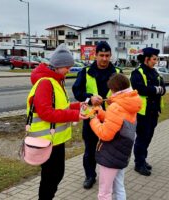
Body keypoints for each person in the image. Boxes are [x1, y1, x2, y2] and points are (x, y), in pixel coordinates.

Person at [26, 43, 87, 199]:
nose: (69, 70)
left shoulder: (56, 81)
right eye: (67, 66)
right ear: (58, 66)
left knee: (55, 176)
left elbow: (62, 106)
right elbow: (46, 113)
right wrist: (74, 115)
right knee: (51, 177)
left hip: (55, 140)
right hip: (46, 140)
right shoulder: (46, 83)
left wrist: (80, 106)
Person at [72, 41, 122, 189]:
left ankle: (110, 177)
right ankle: (90, 175)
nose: (104, 59)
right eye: (101, 55)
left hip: (111, 118)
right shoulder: (85, 72)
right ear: (95, 55)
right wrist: (89, 98)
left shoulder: (117, 73)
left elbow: (126, 93)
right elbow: (77, 92)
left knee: (111, 149)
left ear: (111, 55)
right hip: (91, 118)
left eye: (107, 55)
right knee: (90, 150)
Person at [89, 73, 142, 200]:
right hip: (122, 152)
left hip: (111, 154)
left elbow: (105, 134)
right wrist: (100, 113)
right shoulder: (130, 103)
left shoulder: (116, 107)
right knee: (119, 187)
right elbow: (117, 121)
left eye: (111, 90)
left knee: (104, 192)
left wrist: (92, 119)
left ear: (115, 90)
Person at [130, 47, 166, 176]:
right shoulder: (137, 73)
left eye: (156, 59)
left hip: (154, 111)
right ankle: (138, 164)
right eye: (154, 59)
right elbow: (139, 89)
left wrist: (155, 89)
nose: (156, 62)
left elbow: (164, 88)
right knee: (142, 137)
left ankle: (143, 159)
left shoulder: (155, 73)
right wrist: (156, 90)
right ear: (146, 59)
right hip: (142, 112)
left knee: (148, 137)